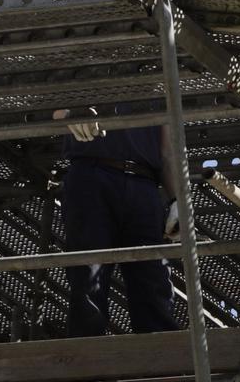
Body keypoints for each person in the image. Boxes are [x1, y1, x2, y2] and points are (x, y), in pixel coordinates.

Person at [52, 105, 181, 334]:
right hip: (91, 176)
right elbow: (50, 106)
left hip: (144, 184)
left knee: (152, 278)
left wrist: (177, 201)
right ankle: (89, 359)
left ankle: (159, 362)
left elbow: (168, 152)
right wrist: (70, 114)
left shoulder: (156, 84)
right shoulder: (85, 73)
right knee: (88, 276)